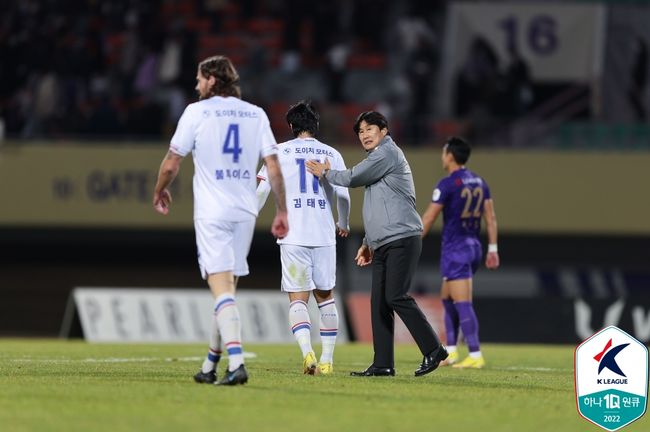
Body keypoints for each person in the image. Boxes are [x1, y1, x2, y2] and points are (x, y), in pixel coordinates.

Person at [152, 55, 288, 386]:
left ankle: (237, 362)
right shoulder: (255, 114)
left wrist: (159, 191)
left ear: (212, 80)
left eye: (199, 78)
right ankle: (211, 364)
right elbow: (272, 166)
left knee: (220, 287)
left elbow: (171, 163)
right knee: (227, 289)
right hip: (244, 211)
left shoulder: (196, 112)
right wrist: (282, 210)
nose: (196, 85)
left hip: (213, 212)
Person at [306, 111, 447, 377]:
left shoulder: (388, 153)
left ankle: (433, 349)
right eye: (360, 132)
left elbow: (351, 178)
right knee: (379, 303)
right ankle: (383, 363)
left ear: (384, 131)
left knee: (395, 296)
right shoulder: (378, 160)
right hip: (384, 242)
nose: (365, 135)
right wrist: (368, 242)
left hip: (402, 238)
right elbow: (378, 208)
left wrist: (325, 172)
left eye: (370, 129)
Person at [257, 100, 351, 375]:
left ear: (291, 126)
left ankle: (307, 353)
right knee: (326, 297)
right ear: (315, 125)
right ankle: (328, 360)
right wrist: (342, 223)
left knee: (298, 298)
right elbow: (344, 194)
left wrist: (248, 217)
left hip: (293, 234)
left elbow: (262, 191)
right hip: (323, 234)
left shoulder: (279, 151)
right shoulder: (331, 153)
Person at [420, 137, 499, 369]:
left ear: (450, 156)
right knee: (447, 298)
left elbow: (429, 217)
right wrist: (493, 248)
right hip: (473, 246)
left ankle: (475, 353)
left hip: (457, 248)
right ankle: (451, 352)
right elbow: (490, 218)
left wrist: (413, 241)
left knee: (463, 302)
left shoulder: (447, 184)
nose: (442, 156)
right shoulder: (479, 181)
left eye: (444, 152)